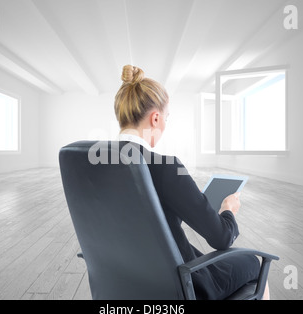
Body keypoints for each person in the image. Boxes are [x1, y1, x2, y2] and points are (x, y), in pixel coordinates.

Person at [114, 65, 269, 300]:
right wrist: (228, 211)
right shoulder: (165, 167)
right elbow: (221, 238)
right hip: (182, 284)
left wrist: (186, 195)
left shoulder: (93, 165)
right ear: (156, 118)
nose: (165, 124)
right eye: (166, 117)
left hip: (123, 281)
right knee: (253, 262)